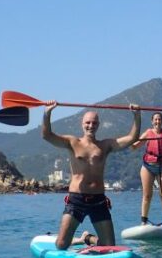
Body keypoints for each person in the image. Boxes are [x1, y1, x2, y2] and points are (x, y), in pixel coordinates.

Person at [42, 102, 141, 249]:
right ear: (82, 124)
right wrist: (47, 113)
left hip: (98, 200)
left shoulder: (106, 145)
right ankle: (77, 239)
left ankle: (88, 239)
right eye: (88, 122)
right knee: (61, 245)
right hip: (76, 200)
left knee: (109, 247)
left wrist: (137, 116)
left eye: (94, 123)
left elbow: (132, 138)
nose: (91, 125)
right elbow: (47, 136)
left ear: (98, 125)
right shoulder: (72, 142)